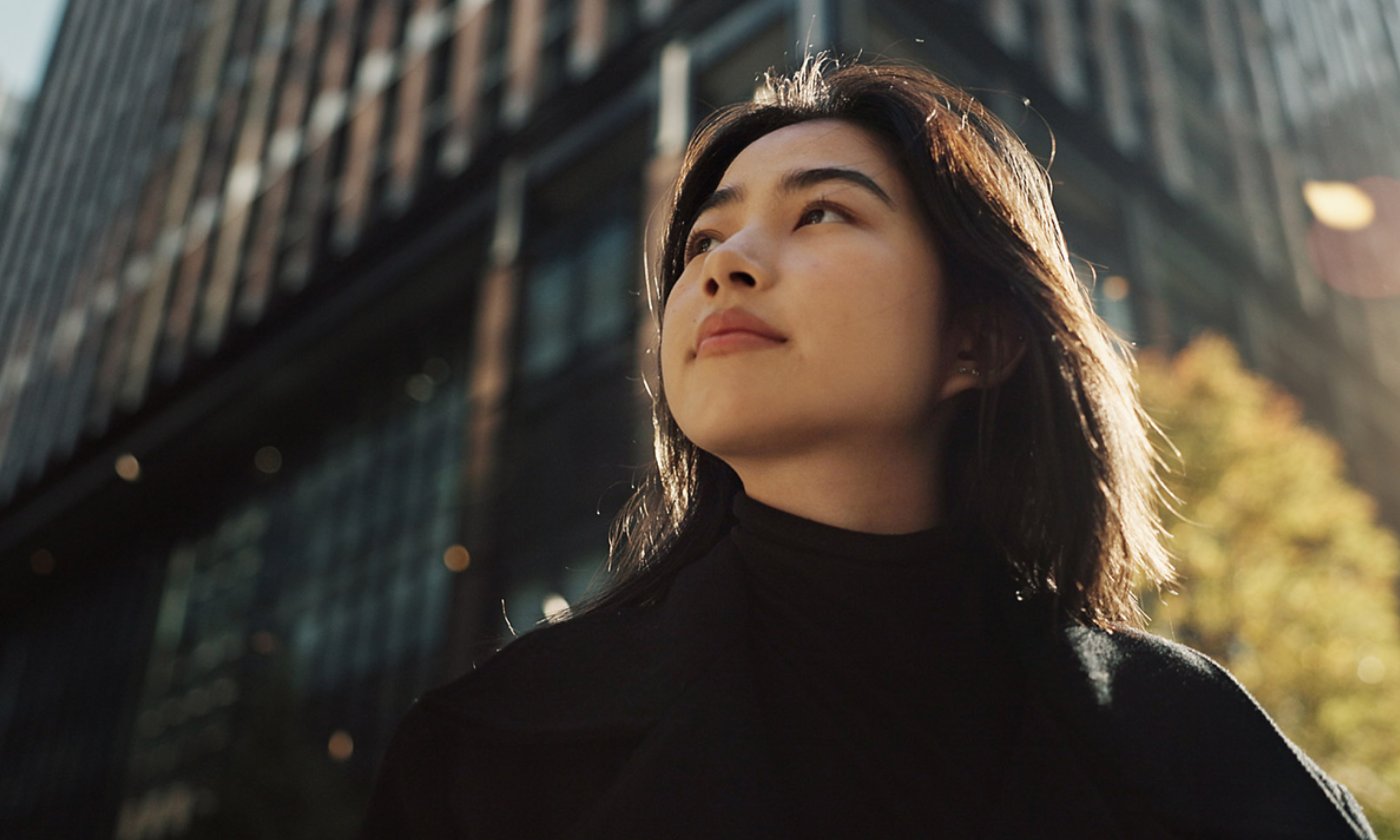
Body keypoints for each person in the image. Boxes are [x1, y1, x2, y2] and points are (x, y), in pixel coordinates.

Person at [360, 58, 1377, 839]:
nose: (727, 268)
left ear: (976, 339)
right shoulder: (489, 749)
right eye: (703, 242)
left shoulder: (1199, 755)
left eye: (819, 213)